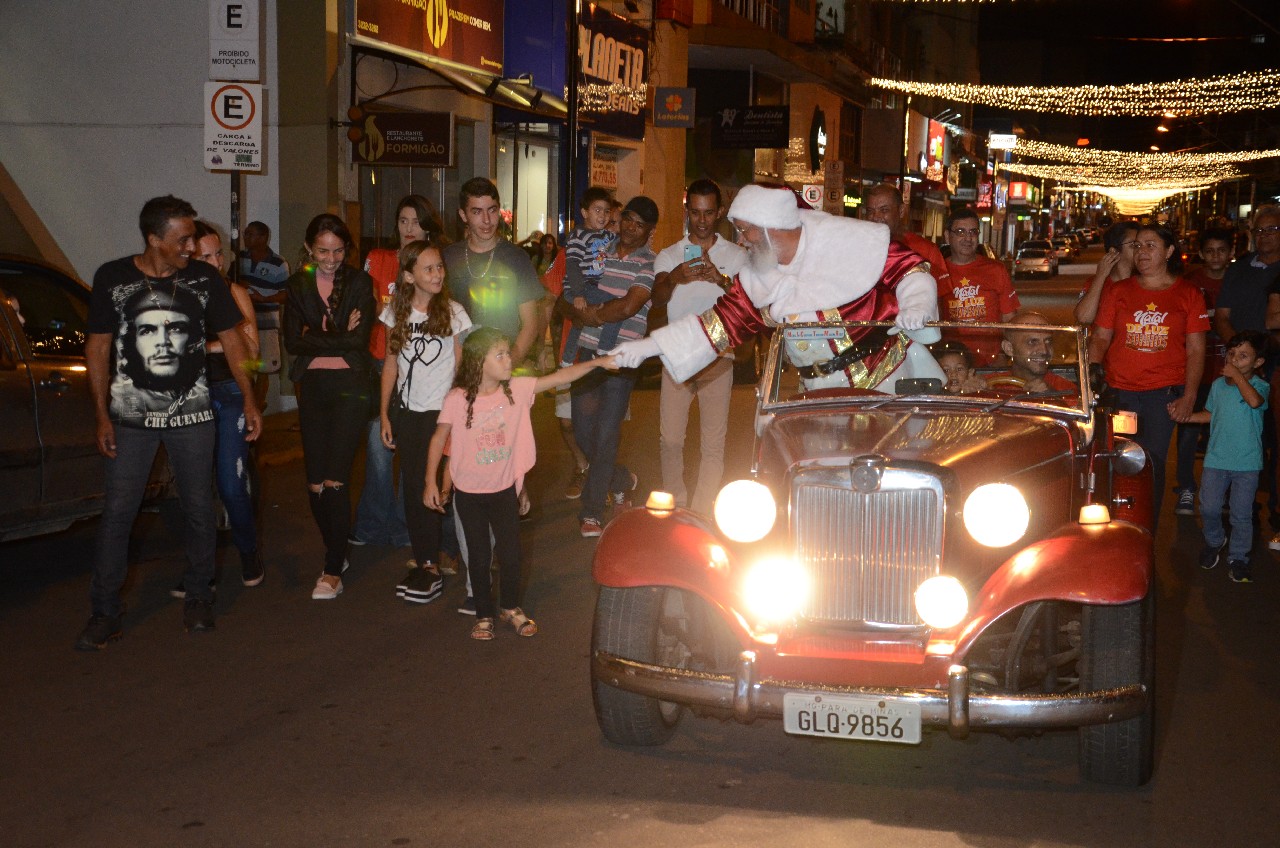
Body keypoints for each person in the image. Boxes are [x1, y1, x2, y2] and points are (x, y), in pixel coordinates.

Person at [77, 195, 262, 650]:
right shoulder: (112, 277)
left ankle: (199, 597)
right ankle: (104, 612)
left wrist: (250, 399)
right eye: (182, 240)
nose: (191, 247)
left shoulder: (204, 279)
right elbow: (98, 348)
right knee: (119, 513)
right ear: (154, 239)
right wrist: (101, 412)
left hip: (193, 414)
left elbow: (234, 343)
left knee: (199, 507)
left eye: (193, 239)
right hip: (130, 418)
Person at [608, 183, 943, 396]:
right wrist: (648, 347)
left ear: (769, 230)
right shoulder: (757, 274)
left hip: (888, 380)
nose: (739, 240)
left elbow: (911, 271)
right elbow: (717, 325)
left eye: (744, 231)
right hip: (821, 390)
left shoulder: (849, 238)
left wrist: (917, 306)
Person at [423, 327, 620, 640]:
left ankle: (511, 608)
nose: (508, 359)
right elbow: (438, 439)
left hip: (503, 492)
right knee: (479, 556)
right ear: (478, 362)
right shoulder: (458, 399)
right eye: (499, 354)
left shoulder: (516, 389)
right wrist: (430, 483)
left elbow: (558, 377)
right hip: (469, 495)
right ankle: (484, 613)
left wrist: (599, 363)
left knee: (512, 555)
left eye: (507, 352)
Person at [1088, 224, 1209, 526]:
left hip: (1163, 395)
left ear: (1169, 252)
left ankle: (1145, 531)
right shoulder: (1119, 290)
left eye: (1151, 246)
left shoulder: (1189, 294)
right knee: (1118, 459)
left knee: (1151, 462)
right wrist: (1090, 378)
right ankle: (1115, 526)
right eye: (1138, 246)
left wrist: (1189, 397)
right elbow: (1101, 338)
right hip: (1120, 392)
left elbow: (1196, 350)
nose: (1142, 252)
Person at [283, 213, 376, 600]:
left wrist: (317, 335)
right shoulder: (297, 284)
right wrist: (338, 333)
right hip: (314, 385)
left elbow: (358, 342)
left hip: (352, 384)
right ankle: (337, 547)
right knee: (315, 481)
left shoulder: (359, 282)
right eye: (323, 250)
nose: (331, 258)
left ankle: (333, 567)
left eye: (338, 250)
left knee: (336, 478)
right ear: (309, 248)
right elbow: (292, 341)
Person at [561, 196, 660, 538]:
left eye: (639, 224)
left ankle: (591, 512)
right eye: (628, 219)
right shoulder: (598, 250)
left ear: (650, 231)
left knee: (606, 433)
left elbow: (629, 306)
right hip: (588, 354)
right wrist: (574, 306)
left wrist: (591, 314)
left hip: (621, 361)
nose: (631, 228)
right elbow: (571, 286)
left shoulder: (649, 263)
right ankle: (622, 479)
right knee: (582, 429)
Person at [351, 194, 447, 548]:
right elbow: (365, 303)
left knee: (414, 451)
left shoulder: (434, 262)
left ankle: (410, 525)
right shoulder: (377, 259)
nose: (409, 228)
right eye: (403, 221)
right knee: (379, 448)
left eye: (416, 222)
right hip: (382, 361)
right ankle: (374, 522)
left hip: (424, 371)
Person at [379, 237, 471, 604]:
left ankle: (435, 562)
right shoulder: (394, 315)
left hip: (441, 413)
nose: (437, 274)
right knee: (415, 488)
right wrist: (384, 412)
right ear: (408, 276)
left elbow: (462, 367)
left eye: (439, 267)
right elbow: (390, 365)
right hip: (408, 413)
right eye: (428, 268)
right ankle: (426, 559)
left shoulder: (453, 312)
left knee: (436, 487)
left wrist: (456, 414)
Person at [649, 179, 747, 514]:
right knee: (671, 441)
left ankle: (702, 513)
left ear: (720, 212)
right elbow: (657, 300)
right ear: (687, 211)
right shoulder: (670, 254)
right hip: (677, 359)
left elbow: (749, 302)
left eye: (708, 213)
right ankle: (676, 504)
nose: (702, 220)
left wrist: (719, 278)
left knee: (712, 446)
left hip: (719, 358)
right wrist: (675, 276)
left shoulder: (736, 255)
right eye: (695, 213)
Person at [180, 220, 264, 592]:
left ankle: (248, 552)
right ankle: (201, 572)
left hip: (230, 392)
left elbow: (253, 354)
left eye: (219, 254)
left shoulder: (234, 293)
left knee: (232, 485)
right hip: (189, 396)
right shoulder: (179, 294)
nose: (215, 262)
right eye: (205, 256)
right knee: (194, 488)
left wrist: (211, 346)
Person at [1189, 332, 1268, 583]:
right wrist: (1187, 417)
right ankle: (1215, 540)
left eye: (1243, 356)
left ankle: (1238, 557)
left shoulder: (1259, 385)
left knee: (1241, 514)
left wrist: (1237, 377)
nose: (1234, 360)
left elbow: (1255, 402)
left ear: (1257, 363)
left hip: (1246, 463)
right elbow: (1210, 414)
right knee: (1209, 507)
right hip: (1216, 459)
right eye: (1231, 354)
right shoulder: (1218, 386)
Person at [443, 178, 545, 370]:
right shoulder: (448, 257)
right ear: (463, 215)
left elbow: (530, 324)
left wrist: (508, 364)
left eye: (492, 210)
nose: (487, 220)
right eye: (477, 212)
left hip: (501, 367)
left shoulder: (516, 258)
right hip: (456, 367)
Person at [1173, 228, 1234, 515]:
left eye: (1221, 250)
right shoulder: (1190, 283)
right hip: (1197, 372)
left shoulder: (1238, 281)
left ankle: (1221, 494)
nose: (1215, 256)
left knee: (1222, 434)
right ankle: (1185, 488)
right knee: (1187, 431)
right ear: (1201, 254)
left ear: (1230, 253)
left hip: (1228, 374)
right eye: (1209, 251)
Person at [942, 209, 1019, 362]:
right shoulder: (937, 272)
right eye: (960, 232)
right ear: (947, 236)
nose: (968, 238)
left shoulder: (996, 269)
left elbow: (1010, 319)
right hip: (953, 363)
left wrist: (1004, 357)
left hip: (992, 361)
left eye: (973, 232)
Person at [560, 186, 618, 363]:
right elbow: (572, 264)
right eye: (597, 210)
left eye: (607, 211)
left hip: (593, 287)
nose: (603, 216)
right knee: (616, 307)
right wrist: (578, 293)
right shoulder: (578, 235)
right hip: (581, 286)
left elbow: (621, 241)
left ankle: (567, 361)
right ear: (585, 213)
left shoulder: (607, 235)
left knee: (579, 323)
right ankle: (604, 350)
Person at [863, 182, 950, 295]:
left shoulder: (926, 250)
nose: (875, 217)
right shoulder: (859, 248)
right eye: (870, 211)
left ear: (901, 211)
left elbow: (939, 299)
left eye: (884, 210)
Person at [984, 312, 1077, 395]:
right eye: (1032, 342)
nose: (1044, 351)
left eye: (1048, 341)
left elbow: (1071, 410)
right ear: (1009, 348)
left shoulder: (1066, 389)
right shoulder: (988, 384)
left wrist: (1051, 395)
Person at [1075, 221, 1140, 325]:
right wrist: (1100, 276)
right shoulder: (1096, 283)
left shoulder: (1148, 283)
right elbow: (1084, 318)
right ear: (1114, 251)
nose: (1141, 251)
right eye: (1134, 245)